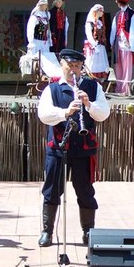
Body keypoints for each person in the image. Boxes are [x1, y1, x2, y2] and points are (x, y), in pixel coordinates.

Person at [37, 49, 111, 247]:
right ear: (62, 65)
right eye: (70, 66)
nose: (74, 70)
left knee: (85, 191)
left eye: (78, 66)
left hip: (84, 149)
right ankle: (47, 231)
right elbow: (44, 115)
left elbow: (103, 114)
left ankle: (88, 232)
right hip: (58, 148)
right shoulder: (52, 89)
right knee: (51, 190)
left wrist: (88, 104)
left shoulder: (92, 87)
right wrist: (65, 112)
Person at [110, 0, 134, 96]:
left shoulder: (132, 14)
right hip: (118, 44)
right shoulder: (118, 14)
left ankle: (125, 89)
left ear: (120, 2)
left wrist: (132, 45)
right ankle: (119, 88)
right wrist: (112, 42)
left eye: (117, 1)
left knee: (127, 67)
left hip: (127, 44)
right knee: (118, 66)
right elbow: (114, 29)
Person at [83, 4, 109, 82]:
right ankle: (91, 80)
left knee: (101, 65)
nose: (102, 13)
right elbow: (89, 35)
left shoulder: (100, 23)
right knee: (92, 65)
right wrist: (94, 44)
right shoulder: (90, 22)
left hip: (100, 47)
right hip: (93, 48)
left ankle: (99, 82)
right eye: (100, 11)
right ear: (96, 11)